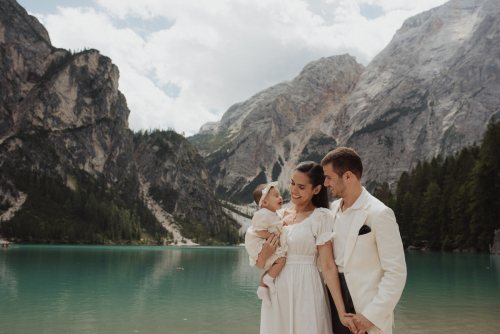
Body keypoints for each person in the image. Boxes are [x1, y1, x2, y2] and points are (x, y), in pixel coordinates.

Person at [257, 162, 356, 334]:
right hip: (277, 290)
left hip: (308, 290)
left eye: (301, 187)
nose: (294, 190)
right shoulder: (276, 216)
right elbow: (260, 264)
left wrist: (341, 312)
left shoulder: (321, 217)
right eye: (292, 183)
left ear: (316, 190)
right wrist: (264, 254)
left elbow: (327, 266)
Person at [321, 147, 407, 334]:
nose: (326, 183)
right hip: (334, 302)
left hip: (364, 308)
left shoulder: (380, 213)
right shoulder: (331, 212)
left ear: (348, 177)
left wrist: (371, 315)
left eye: (329, 177)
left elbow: (396, 272)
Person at [245, 182, 287, 306]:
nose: (280, 198)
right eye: (276, 196)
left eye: (280, 195)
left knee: (275, 263)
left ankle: (263, 288)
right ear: (264, 202)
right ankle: (267, 280)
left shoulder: (275, 213)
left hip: (268, 243)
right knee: (281, 260)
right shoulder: (262, 214)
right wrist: (270, 237)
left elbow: (276, 224)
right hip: (261, 244)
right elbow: (258, 229)